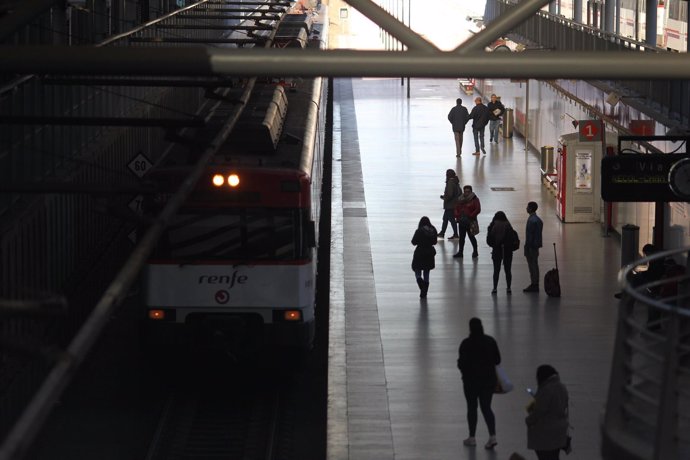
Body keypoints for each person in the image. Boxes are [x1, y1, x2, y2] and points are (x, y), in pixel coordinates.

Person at [457, 317, 501, 450]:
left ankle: (472, 437)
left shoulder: (466, 344)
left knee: (472, 408)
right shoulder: (490, 341)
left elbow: (461, 363)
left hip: (471, 382)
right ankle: (492, 436)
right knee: (486, 407)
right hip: (488, 381)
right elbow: (497, 360)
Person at [525, 364, 570, 460]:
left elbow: (539, 411)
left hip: (546, 433)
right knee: (554, 457)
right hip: (559, 431)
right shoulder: (562, 387)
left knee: (545, 457)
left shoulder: (546, 389)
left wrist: (528, 420)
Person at [486, 211, 517, 294]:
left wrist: (495, 245)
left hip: (496, 250)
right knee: (508, 270)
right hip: (507, 251)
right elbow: (512, 238)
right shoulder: (508, 225)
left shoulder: (493, 226)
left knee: (496, 270)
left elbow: (489, 240)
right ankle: (508, 288)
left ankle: (495, 288)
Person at [411, 216, 438, 298]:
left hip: (420, 253)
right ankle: (424, 291)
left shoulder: (419, 231)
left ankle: (421, 284)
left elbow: (413, 242)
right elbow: (435, 242)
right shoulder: (433, 230)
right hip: (429, 253)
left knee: (417, 270)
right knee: (426, 272)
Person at [453, 185, 481, 259]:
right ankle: (460, 252)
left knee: (471, 237)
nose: (466, 193)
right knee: (462, 238)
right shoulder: (460, 199)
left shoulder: (474, 199)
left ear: (471, 192)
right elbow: (456, 208)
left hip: (470, 222)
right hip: (462, 221)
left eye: (468, 192)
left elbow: (478, 209)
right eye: (465, 191)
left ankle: (475, 251)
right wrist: (457, 215)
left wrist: (471, 215)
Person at [523, 201, 543, 293]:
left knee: (532, 265)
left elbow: (530, 236)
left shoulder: (531, 220)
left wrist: (527, 247)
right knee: (535, 264)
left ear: (530, 209)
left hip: (531, 247)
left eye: (527, 207)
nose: (526, 208)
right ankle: (535, 283)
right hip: (536, 245)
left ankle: (534, 284)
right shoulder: (538, 220)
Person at [438, 169, 461, 239]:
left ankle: (455, 234)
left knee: (451, 220)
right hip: (453, 204)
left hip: (450, 206)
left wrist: (445, 198)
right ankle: (442, 233)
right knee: (445, 219)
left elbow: (450, 194)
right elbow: (459, 192)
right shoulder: (455, 181)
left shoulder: (450, 182)